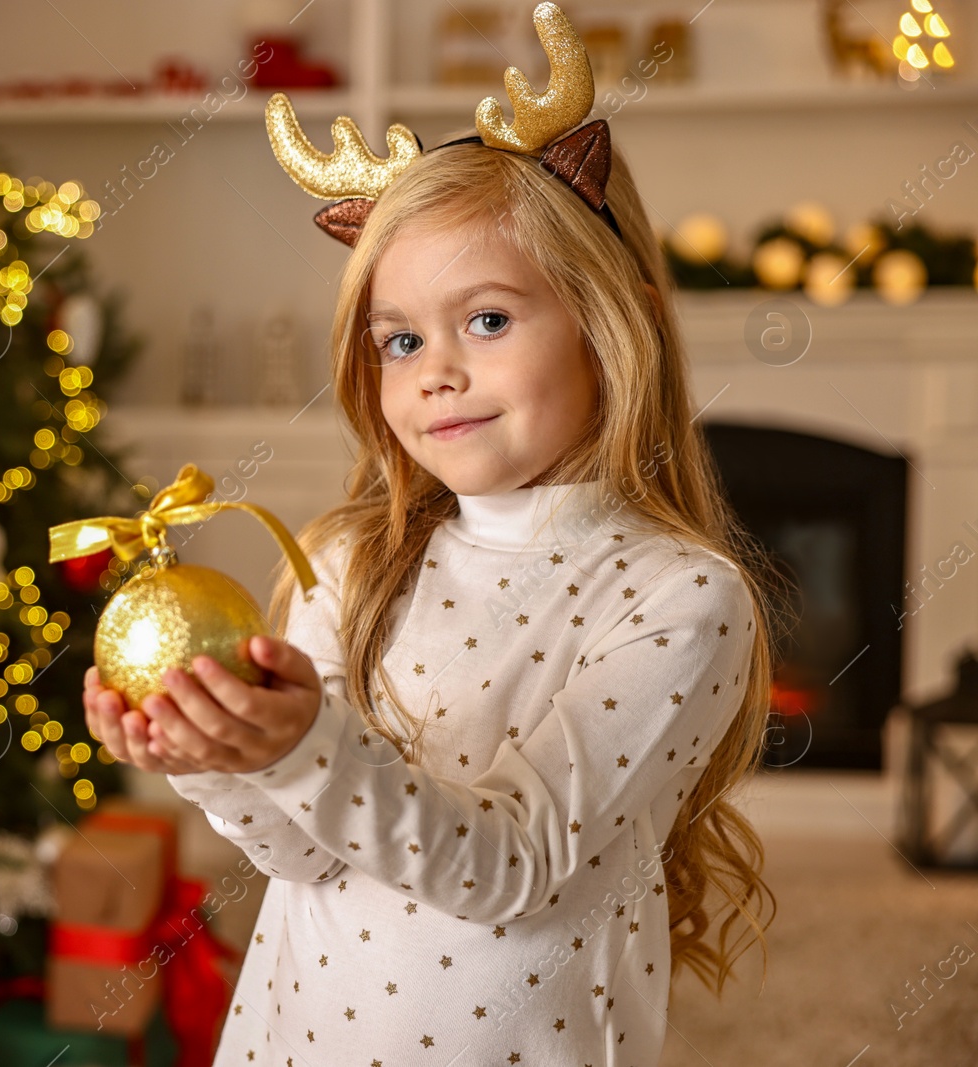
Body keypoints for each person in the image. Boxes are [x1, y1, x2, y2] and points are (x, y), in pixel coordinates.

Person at [84, 4, 781, 1063]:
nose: (436, 368)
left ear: (613, 324)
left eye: (487, 319)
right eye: (400, 338)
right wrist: (219, 756)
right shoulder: (350, 560)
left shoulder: (679, 597)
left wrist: (301, 744)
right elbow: (300, 855)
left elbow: (517, 864)